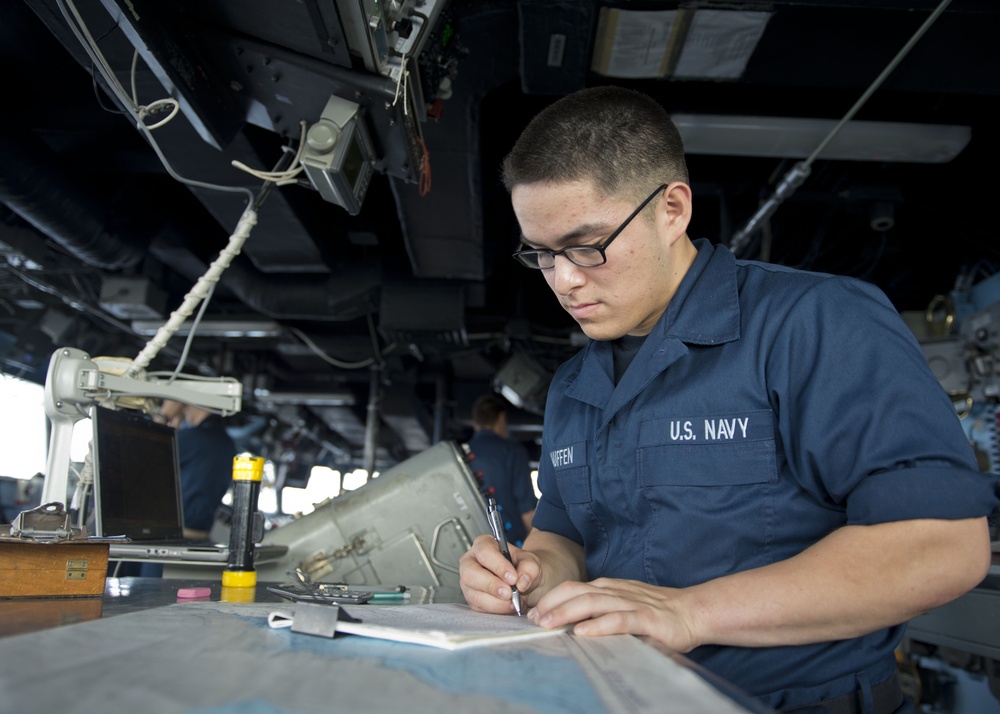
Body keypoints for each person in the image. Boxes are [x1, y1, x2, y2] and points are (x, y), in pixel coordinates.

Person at [458, 85, 999, 713]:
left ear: (672, 209)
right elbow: (565, 538)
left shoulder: (812, 324)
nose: (566, 279)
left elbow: (942, 545)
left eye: (588, 244)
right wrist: (527, 575)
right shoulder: (576, 387)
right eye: (543, 255)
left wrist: (691, 613)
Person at [159, 399, 237, 540]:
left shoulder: (192, 438)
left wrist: (164, 416)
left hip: (173, 536)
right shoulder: (227, 443)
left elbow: (143, 457)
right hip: (201, 535)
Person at [467, 393, 537, 546]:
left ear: (475, 424)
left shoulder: (461, 455)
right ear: (501, 418)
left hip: (473, 545)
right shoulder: (514, 451)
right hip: (511, 544)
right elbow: (526, 508)